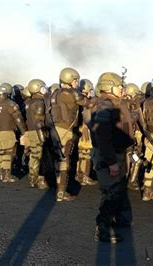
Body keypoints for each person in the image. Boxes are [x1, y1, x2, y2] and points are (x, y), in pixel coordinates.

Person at [91, 72, 135, 243]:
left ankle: (118, 219)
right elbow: (103, 137)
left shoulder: (113, 103)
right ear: (109, 87)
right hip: (107, 155)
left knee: (118, 189)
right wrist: (111, 162)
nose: (122, 90)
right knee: (110, 192)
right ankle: (102, 228)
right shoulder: (104, 106)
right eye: (119, 87)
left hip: (116, 152)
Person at [50, 67, 92, 202]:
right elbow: (88, 104)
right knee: (64, 160)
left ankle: (58, 188)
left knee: (59, 158)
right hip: (66, 130)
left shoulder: (55, 93)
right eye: (75, 80)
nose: (76, 83)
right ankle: (61, 192)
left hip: (55, 128)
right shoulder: (72, 93)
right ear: (70, 79)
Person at [0, 84, 27, 183]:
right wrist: (24, 133)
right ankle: (7, 175)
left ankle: (0, 174)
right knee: (9, 153)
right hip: (8, 132)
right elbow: (19, 120)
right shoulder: (11, 104)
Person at [23, 79, 49, 189]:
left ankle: (32, 178)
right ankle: (39, 179)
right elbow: (39, 122)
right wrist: (43, 137)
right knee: (40, 156)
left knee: (34, 155)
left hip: (31, 131)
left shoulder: (28, 102)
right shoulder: (40, 103)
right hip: (39, 132)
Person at [75, 79, 98, 186]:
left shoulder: (77, 98)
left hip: (78, 129)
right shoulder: (84, 101)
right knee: (86, 154)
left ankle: (79, 175)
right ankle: (84, 176)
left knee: (80, 154)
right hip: (85, 130)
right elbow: (87, 117)